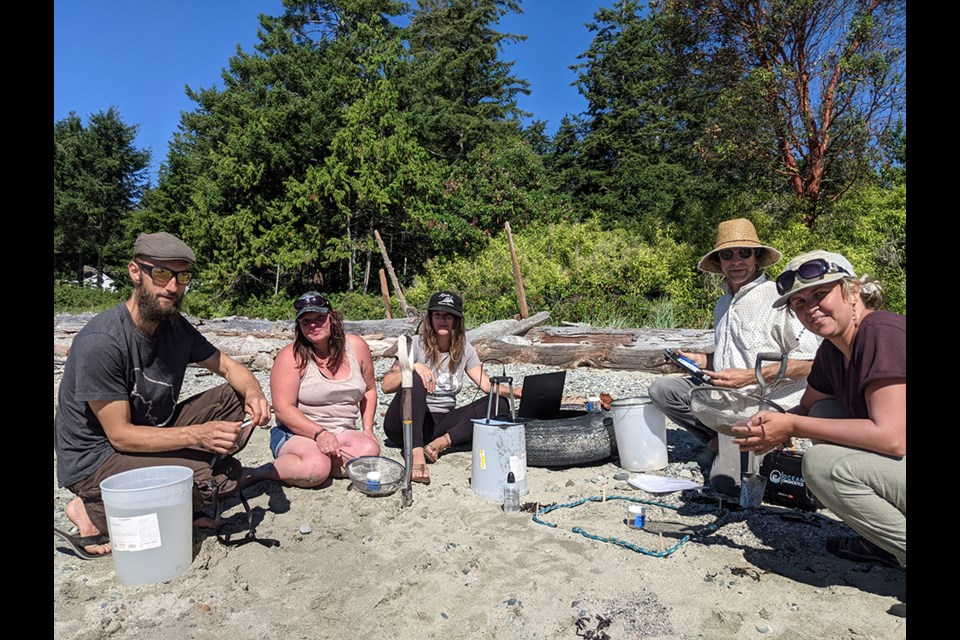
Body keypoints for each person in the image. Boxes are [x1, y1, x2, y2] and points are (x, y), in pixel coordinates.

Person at [54, 232, 272, 559]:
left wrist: (254, 392)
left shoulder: (173, 325)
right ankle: (92, 510)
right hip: (96, 460)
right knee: (216, 481)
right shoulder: (102, 341)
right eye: (161, 273)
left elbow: (227, 366)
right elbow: (121, 436)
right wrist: (199, 436)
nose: (172, 286)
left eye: (182, 276)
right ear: (134, 272)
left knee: (235, 396)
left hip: (153, 429)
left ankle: (184, 485)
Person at [732, 250, 905, 569]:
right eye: (799, 303)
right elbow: (807, 408)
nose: (810, 308)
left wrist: (794, 428)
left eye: (820, 294)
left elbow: (892, 437)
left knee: (820, 464)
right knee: (824, 411)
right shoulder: (832, 351)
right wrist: (768, 426)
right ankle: (882, 543)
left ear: (851, 291)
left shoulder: (882, 332)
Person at [648, 218, 821, 495]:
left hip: (767, 404)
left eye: (744, 252)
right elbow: (732, 355)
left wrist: (752, 377)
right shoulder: (723, 303)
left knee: (726, 483)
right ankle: (721, 437)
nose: (736, 261)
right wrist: (700, 360)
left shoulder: (779, 298)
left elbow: (813, 363)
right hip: (728, 399)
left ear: (757, 258)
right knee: (663, 389)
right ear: (719, 262)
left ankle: (757, 441)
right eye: (727, 254)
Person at [381, 291, 521, 484]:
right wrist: (412, 367)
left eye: (448, 316)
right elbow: (386, 386)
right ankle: (416, 453)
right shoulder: (413, 345)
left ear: (457, 320)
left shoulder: (465, 349)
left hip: (438, 425)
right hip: (403, 424)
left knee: (500, 404)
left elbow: (487, 385)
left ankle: (440, 444)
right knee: (414, 377)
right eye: (437, 315)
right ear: (430, 318)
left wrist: (516, 392)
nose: (442, 320)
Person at [245, 292, 380, 488]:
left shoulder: (357, 346)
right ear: (299, 326)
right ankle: (261, 472)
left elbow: (369, 389)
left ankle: (320, 463)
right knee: (315, 469)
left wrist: (368, 429)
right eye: (306, 321)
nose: (313, 326)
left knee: (369, 449)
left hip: (342, 431)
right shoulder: (290, 357)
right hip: (296, 433)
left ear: (331, 318)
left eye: (319, 318)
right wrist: (320, 434)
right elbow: (283, 409)